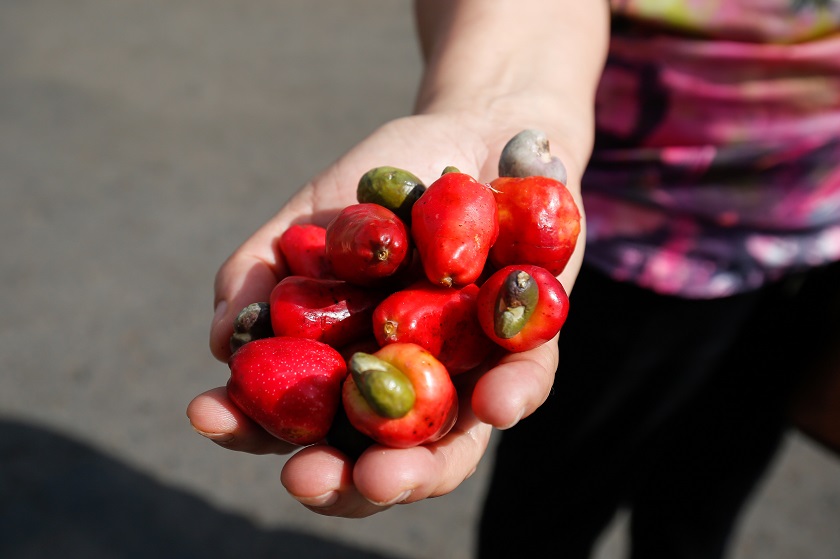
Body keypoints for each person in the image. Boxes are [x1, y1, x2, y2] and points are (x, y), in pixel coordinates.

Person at [187, 1, 840, 557]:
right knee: (554, 506)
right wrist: (497, 98)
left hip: (823, 246)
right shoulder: (454, 281)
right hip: (632, 248)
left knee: (707, 494)